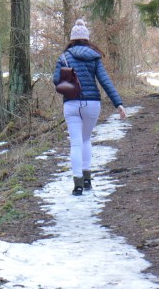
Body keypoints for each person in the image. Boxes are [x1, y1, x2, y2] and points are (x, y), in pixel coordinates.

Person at [54, 19, 127, 196]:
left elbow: (56, 80)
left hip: (71, 103)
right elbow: (105, 81)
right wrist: (118, 104)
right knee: (86, 139)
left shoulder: (64, 57)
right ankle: (87, 179)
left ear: (72, 39)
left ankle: (77, 183)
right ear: (87, 39)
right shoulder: (94, 56)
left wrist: (67, 75)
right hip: (92, 103)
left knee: (76, 143)